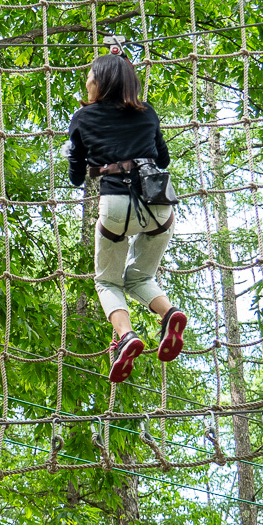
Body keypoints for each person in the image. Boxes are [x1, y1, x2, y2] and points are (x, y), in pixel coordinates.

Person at [67, 52, 187, 383]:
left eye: (90, 76)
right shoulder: (147, 112)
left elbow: (76, 177)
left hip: (116, 207)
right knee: (139, 277)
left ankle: (126, 335)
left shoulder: (83, 117)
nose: (87, 82)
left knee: (107, 281)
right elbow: (162, 158)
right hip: (159, 205)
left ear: (101, 81)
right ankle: (170, 313)